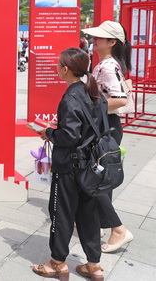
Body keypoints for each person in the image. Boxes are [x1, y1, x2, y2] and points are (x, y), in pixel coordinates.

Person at [30, 47, 105, 280]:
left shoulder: (70, 98)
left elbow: (70, 136)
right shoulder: (92, 92)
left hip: (69, 167)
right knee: (88, 214)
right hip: (90, 164)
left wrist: (50, 132)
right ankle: (93, 265)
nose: (56, 67)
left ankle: (57, 262)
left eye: (58, 63)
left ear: (65, 69)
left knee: (61, 212)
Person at [84, 20, 134, 253]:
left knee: (94, 179)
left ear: (112, 42)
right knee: (100, 177)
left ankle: (118, 229)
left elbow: (120, 99)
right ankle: (99, 224)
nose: (94, 40)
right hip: (105, 126)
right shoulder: (106, 64)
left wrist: (90, 110)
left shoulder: (107, 66)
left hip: (105, 127)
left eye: (99, 37)